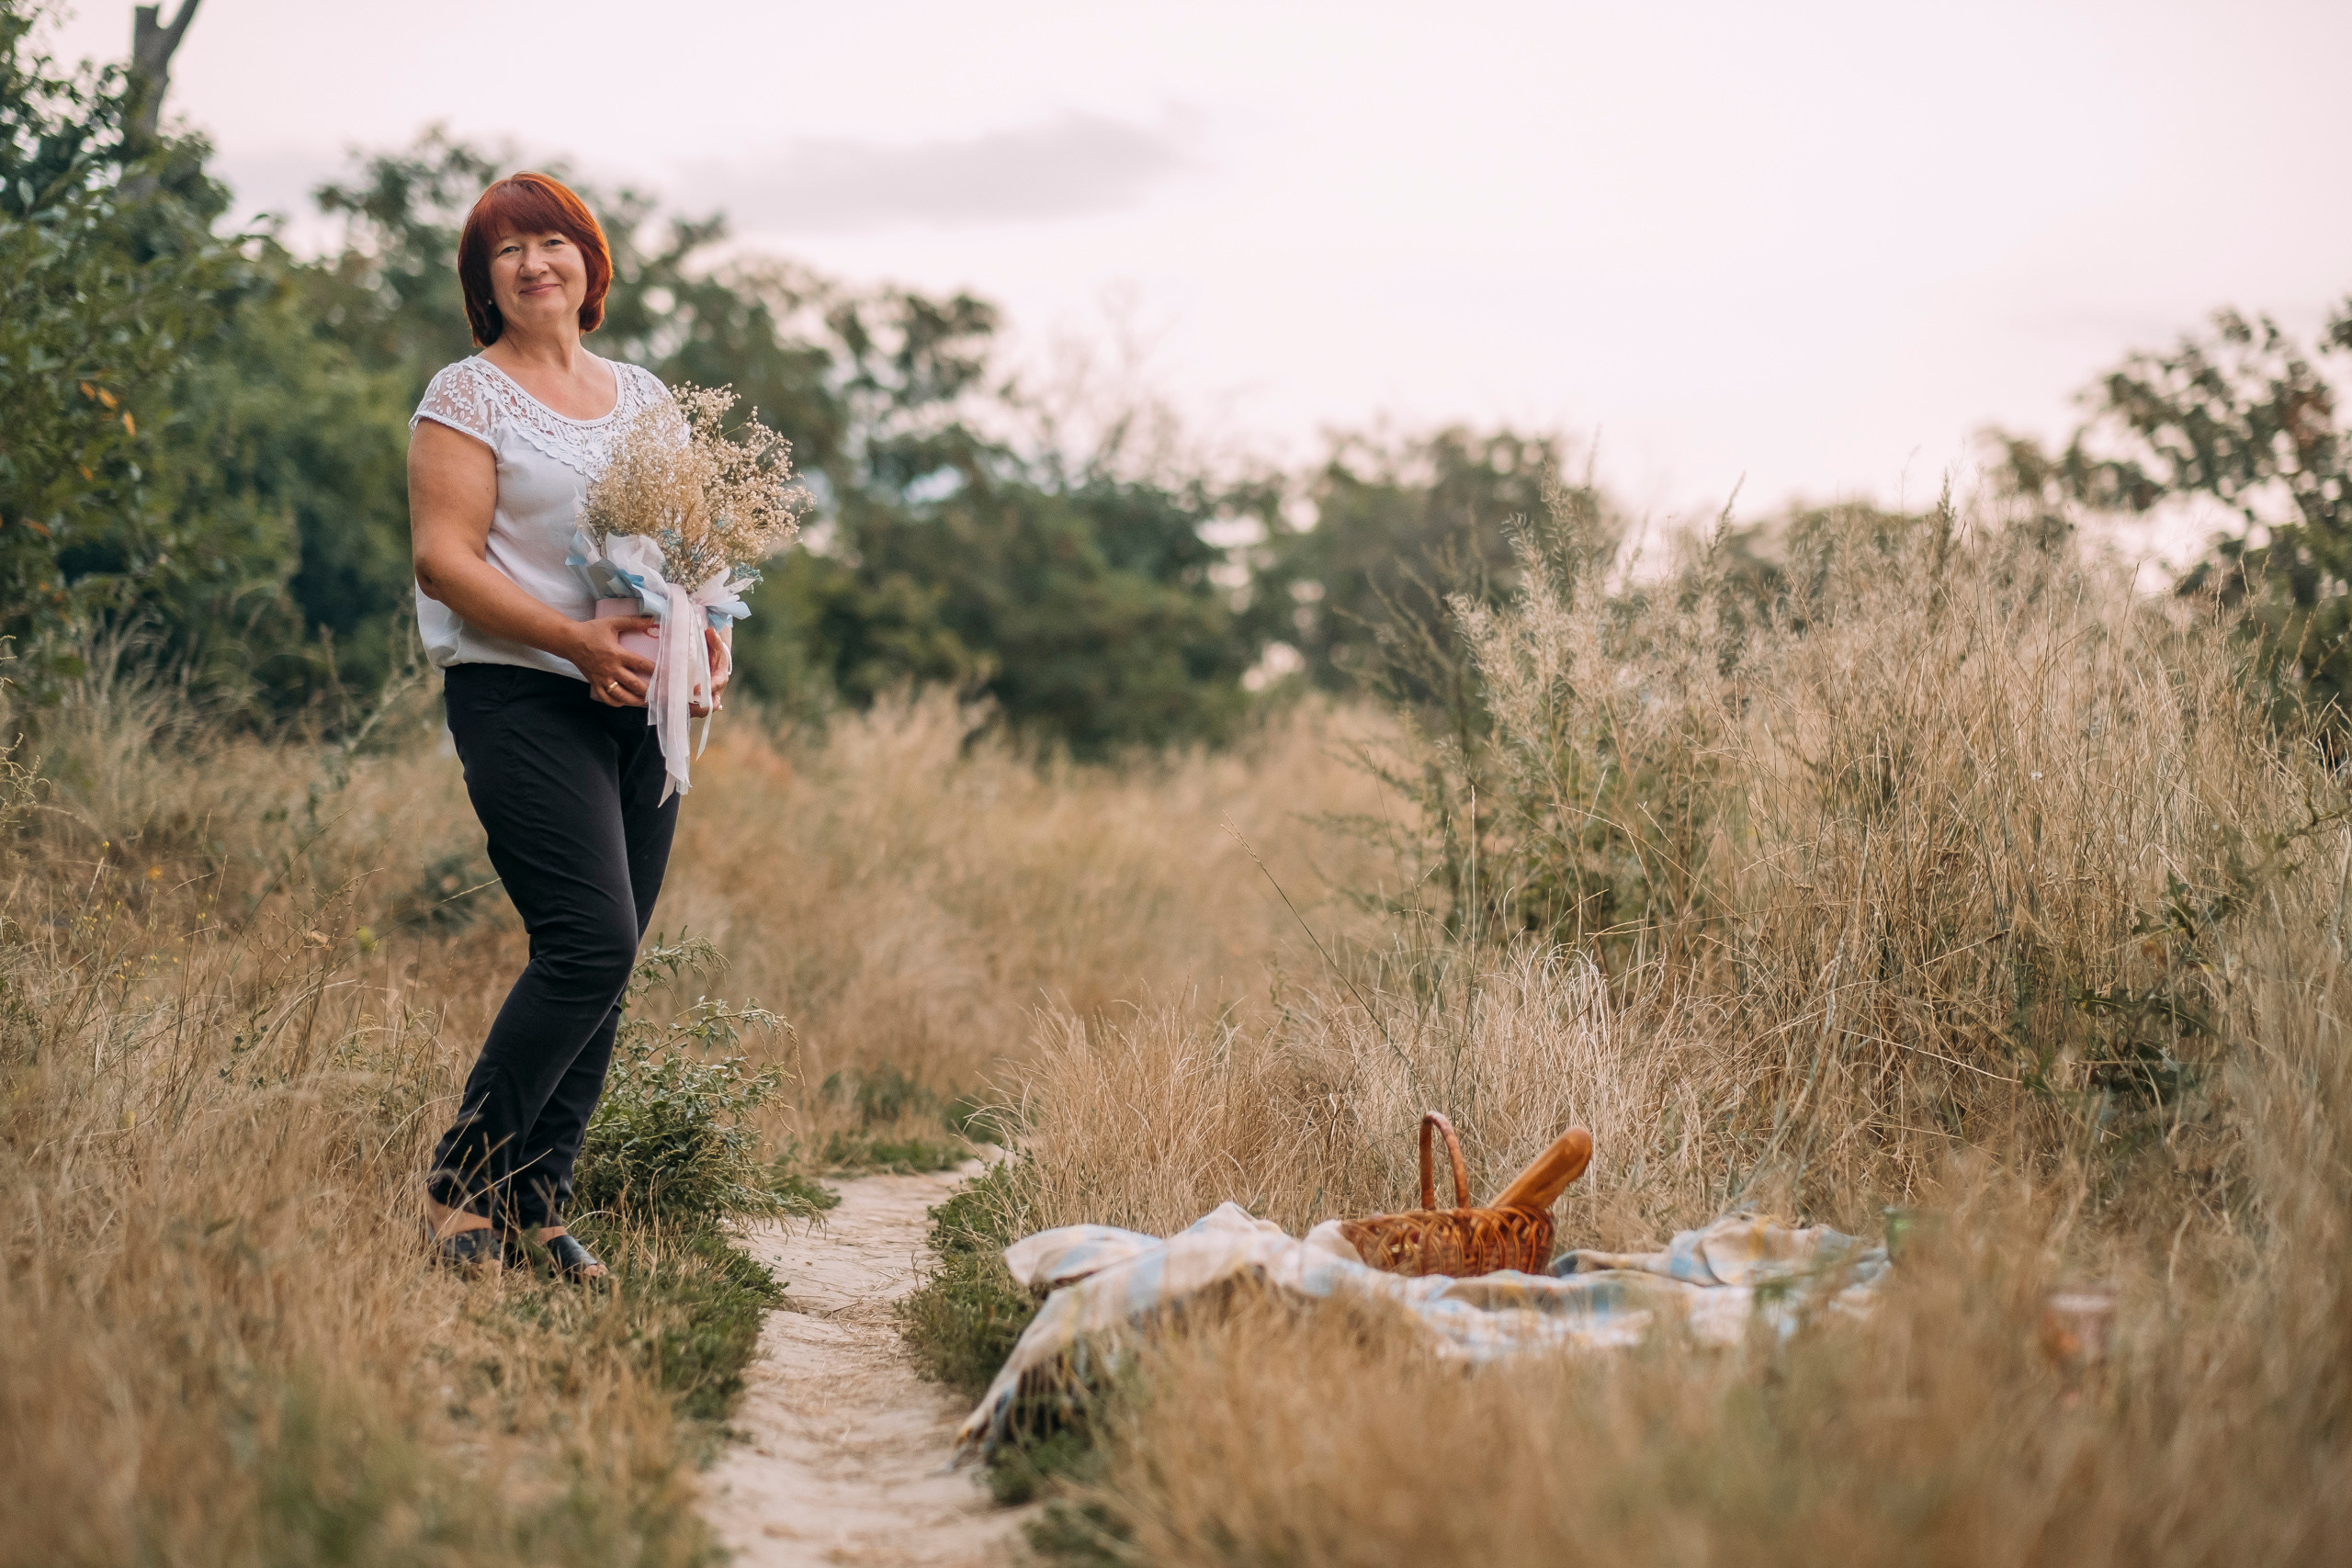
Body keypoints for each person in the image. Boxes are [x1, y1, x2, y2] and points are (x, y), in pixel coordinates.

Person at [408, 171, 729, 1280]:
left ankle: (536, 1206)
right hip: (520, 692)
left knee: (612, 955)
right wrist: (574, 645)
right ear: (483, 283)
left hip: (640, 701)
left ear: (589, 262)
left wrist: (706, 638)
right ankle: (460, 1188)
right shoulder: (465, 397)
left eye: (551, 242)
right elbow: (443, 561)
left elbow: (693, 550)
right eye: (506, 251)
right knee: (588, 937)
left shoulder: (645, 396)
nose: (533, 263)